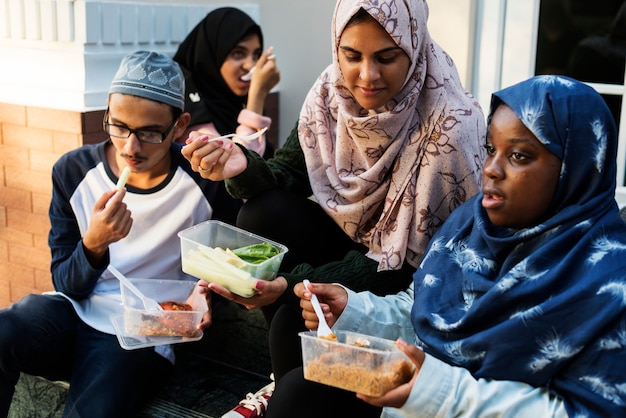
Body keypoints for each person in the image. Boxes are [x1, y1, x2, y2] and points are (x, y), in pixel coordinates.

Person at [183, 0, 486, 416]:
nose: (367, 76)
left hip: (411, 280)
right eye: (352, 55)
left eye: (386, 57)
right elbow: (289, 172)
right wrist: (241, 164)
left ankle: (304, 389)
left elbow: (403, 268)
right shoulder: (332, 90)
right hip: (355, 248)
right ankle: (291, 382)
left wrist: (289, 286)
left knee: (294, 328)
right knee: (261, 213)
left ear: (414, 47)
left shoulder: (449, 125)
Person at [284, 74, 626, 417]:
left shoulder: (609, 282)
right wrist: (355, 311)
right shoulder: (471, 225)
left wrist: (445, 393)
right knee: (300, 390)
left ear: (577, 165)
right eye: (491, 149)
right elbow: (424, 314)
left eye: (520, 156)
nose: (491, 169)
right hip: (418, 405)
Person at [0, 50, 242, 418]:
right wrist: (94, 244)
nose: (131, 147)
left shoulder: (201, 182)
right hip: (75, 313)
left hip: (146, 330)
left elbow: (232, 263)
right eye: (119, 127)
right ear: (107, 117)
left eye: (149, 132)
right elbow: (66, 282)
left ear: (180, 126)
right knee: (7, 327)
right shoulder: (74, 170)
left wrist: (206, 292)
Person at [173, 7, 280, 158]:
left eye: (256, 55)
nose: (251, 66)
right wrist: (258, 95)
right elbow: (234, 166)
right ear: (212, 55)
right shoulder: (190, 105)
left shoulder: (234, 100)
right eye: (238, 53)